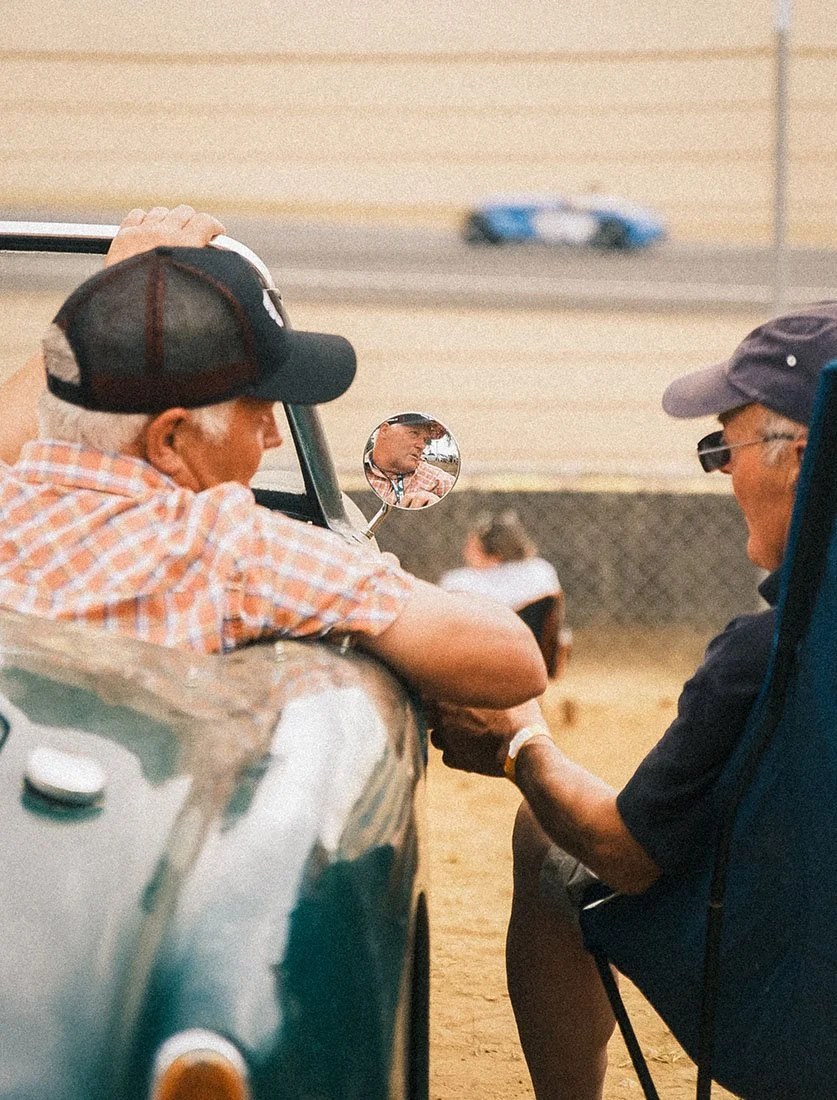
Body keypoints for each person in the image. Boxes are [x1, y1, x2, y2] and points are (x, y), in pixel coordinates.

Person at [429, 302, 832, 1099]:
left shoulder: (771, 653)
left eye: (723, 445)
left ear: (801, 458)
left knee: (542, 838)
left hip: (792, 1014)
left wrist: (519, 741)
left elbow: (626, 852)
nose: (718, 471)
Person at [0, 207, 546, 710]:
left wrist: (112, 299)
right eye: (257, 410)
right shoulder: (225, 549)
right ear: (169, 441)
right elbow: (514, 660)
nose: (273, 436)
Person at [440, 511, 561, 610]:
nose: (464, 552)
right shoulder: (542, 569)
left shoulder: (459, 581)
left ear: (495, 555)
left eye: (471, 548)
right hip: (533, 639)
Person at [364, 412, 455, 508]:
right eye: (414, 433)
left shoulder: (439, 480)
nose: (422, 446)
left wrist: (440, 507)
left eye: (425, 440)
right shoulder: (355, 472)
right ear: (384, 430)